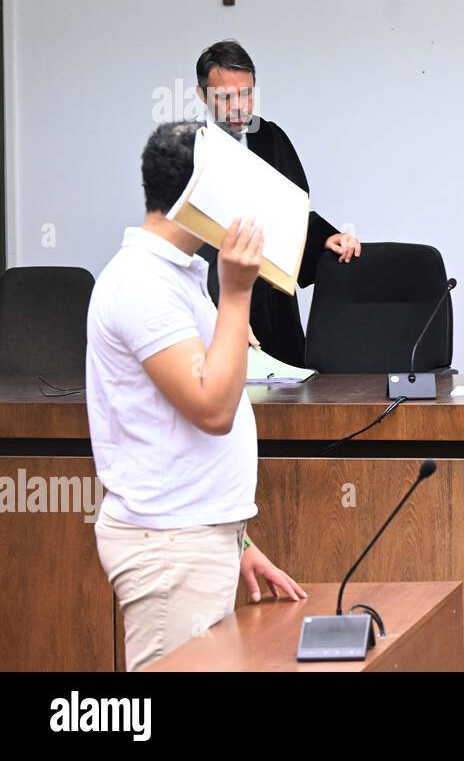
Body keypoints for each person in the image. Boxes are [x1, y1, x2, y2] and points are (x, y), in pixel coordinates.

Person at [88, 121, 306, 671]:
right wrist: (236, 293)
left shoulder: (175, 276)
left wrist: (237, 542)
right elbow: (212, 409)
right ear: (200, 195)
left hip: (192, 537)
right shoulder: (141, 282)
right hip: (167, 547)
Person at [193, 40, 361, 365]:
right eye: (225, 97)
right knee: (214, 395)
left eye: (246, 94)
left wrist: (325, 238)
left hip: (271, 298)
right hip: (211, 293)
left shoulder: (269, 138)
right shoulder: (189, 147)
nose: (238, 106)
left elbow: (294, 211)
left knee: (286, 397)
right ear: (202, 95)